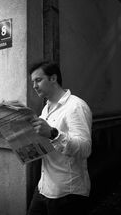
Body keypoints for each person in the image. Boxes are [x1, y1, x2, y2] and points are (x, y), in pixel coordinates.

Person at [27, 61, 92, 215]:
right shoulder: (46, 108)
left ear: (53, 78)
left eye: (38, 80)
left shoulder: (76, 106)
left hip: (66, 193)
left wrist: (53, 134)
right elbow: (45, 143)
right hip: (44, 186)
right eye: (33, 82)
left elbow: (85, 149)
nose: (34, 86)